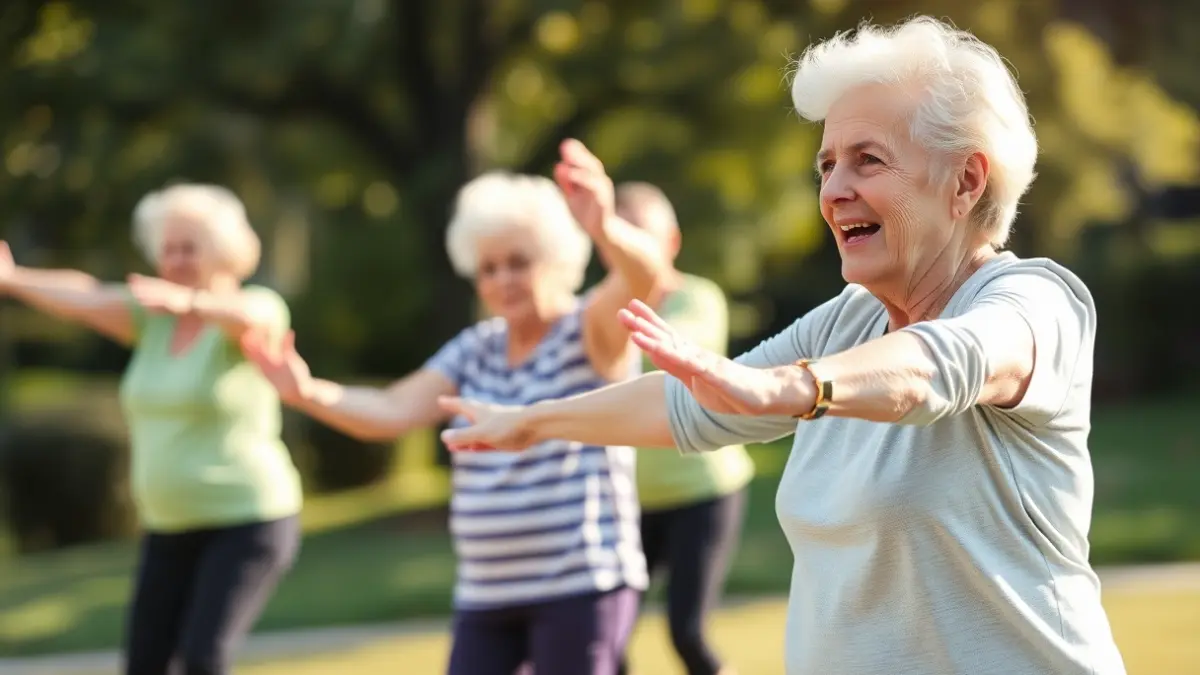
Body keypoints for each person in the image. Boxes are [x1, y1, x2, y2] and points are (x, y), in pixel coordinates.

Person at [434, 17, 1128, 675]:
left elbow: (942, 365)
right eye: (827, 165)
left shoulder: (1034, 302)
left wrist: (793, 388)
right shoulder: (844, 323)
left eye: (867, 160)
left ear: (966, 180)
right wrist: (534, 420)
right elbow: (691, 406)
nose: (834, 191)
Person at [241, 140, 668, 675]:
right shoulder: (475, 349)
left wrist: (604, 225)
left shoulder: (588, 333)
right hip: (487, 592)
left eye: (518, 263)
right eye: (488, 269)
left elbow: (643, 279)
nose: (502, 280)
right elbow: (391, 409)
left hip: (581, 584)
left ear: (557, 261)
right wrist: (305, 391)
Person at [0, 184, 301, 675]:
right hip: (168, 525)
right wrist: (12, 279)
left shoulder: (255, 307)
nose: (177, 260)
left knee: (202, 660)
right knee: (144, 664)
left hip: (247, 521)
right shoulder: (151, 320)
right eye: (168, 249)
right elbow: (86, 296)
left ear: (223, 254)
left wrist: (190, 305)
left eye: (190, 248)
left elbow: (249, 316)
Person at [612, 183, 752, 675]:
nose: (627, 251)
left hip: (703, 495)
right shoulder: (597, 310)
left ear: (669, 242)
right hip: (631, 504)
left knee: (687, 633)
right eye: (617, 238)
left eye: (639, 237)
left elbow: (675, 358)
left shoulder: (697, 297)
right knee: (607, 642)